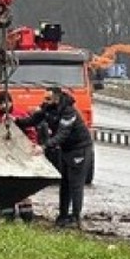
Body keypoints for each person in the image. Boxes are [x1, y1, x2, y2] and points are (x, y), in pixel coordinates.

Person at [40, 89, 93, 227]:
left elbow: (63, 134)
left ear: (56, 98)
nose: (44, 101)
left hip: (79, 149)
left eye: (48, 99)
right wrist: (17, 121)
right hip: (66, 150)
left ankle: (76, 217)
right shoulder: (50, 109)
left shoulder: (68, 111)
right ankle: (63, 215)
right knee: (64, 184)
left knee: (76, 184)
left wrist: (45, 146)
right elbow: (34, 119)